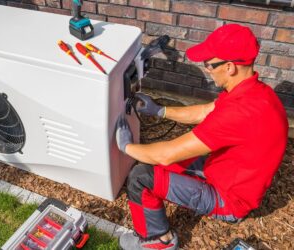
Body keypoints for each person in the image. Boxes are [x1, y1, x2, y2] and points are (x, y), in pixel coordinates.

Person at [116, 24, 288, 250]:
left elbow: (166, 155)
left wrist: (125, 146)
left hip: (229, 199)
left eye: (209, 64)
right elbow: (205, 111)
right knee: (157, 162)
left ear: (229, 67)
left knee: (140, 177)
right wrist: (160, 110)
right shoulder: (254, 92)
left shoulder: (239, 113)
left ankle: (158, 242)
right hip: (227, 172)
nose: (206, 69)